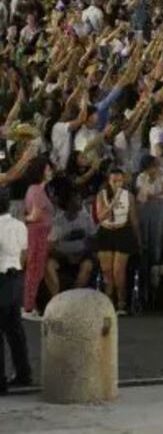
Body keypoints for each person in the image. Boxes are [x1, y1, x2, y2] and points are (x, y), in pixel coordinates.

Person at [93, 168, 140, 315]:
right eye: (114, 181)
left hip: (122, 232)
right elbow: (100, 217)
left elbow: (133, 219)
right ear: (109, 181)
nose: (117, 184)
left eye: (120, 180)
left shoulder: (129, 196)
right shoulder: (101, 195)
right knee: (107, 271)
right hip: (106, 232)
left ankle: (121, 302)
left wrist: (139, 239)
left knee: (118, 271)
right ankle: (108, 301)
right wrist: (114, 201)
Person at [0, 188, 33, 393]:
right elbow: (24, 253)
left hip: (1, 277)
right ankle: (23, 373)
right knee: (14, 330)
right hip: (15, 277)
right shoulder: (19, 225)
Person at [21, 158, 55, 319]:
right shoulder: (37, 190)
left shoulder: (38, 189)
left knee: (36, 271)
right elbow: (35, 215)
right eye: (47, 169)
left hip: (40, 234)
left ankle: (30, 305)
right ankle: (28, 307)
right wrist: (25, 218)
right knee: (34, 271)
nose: (50, 172)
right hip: (38, 235)